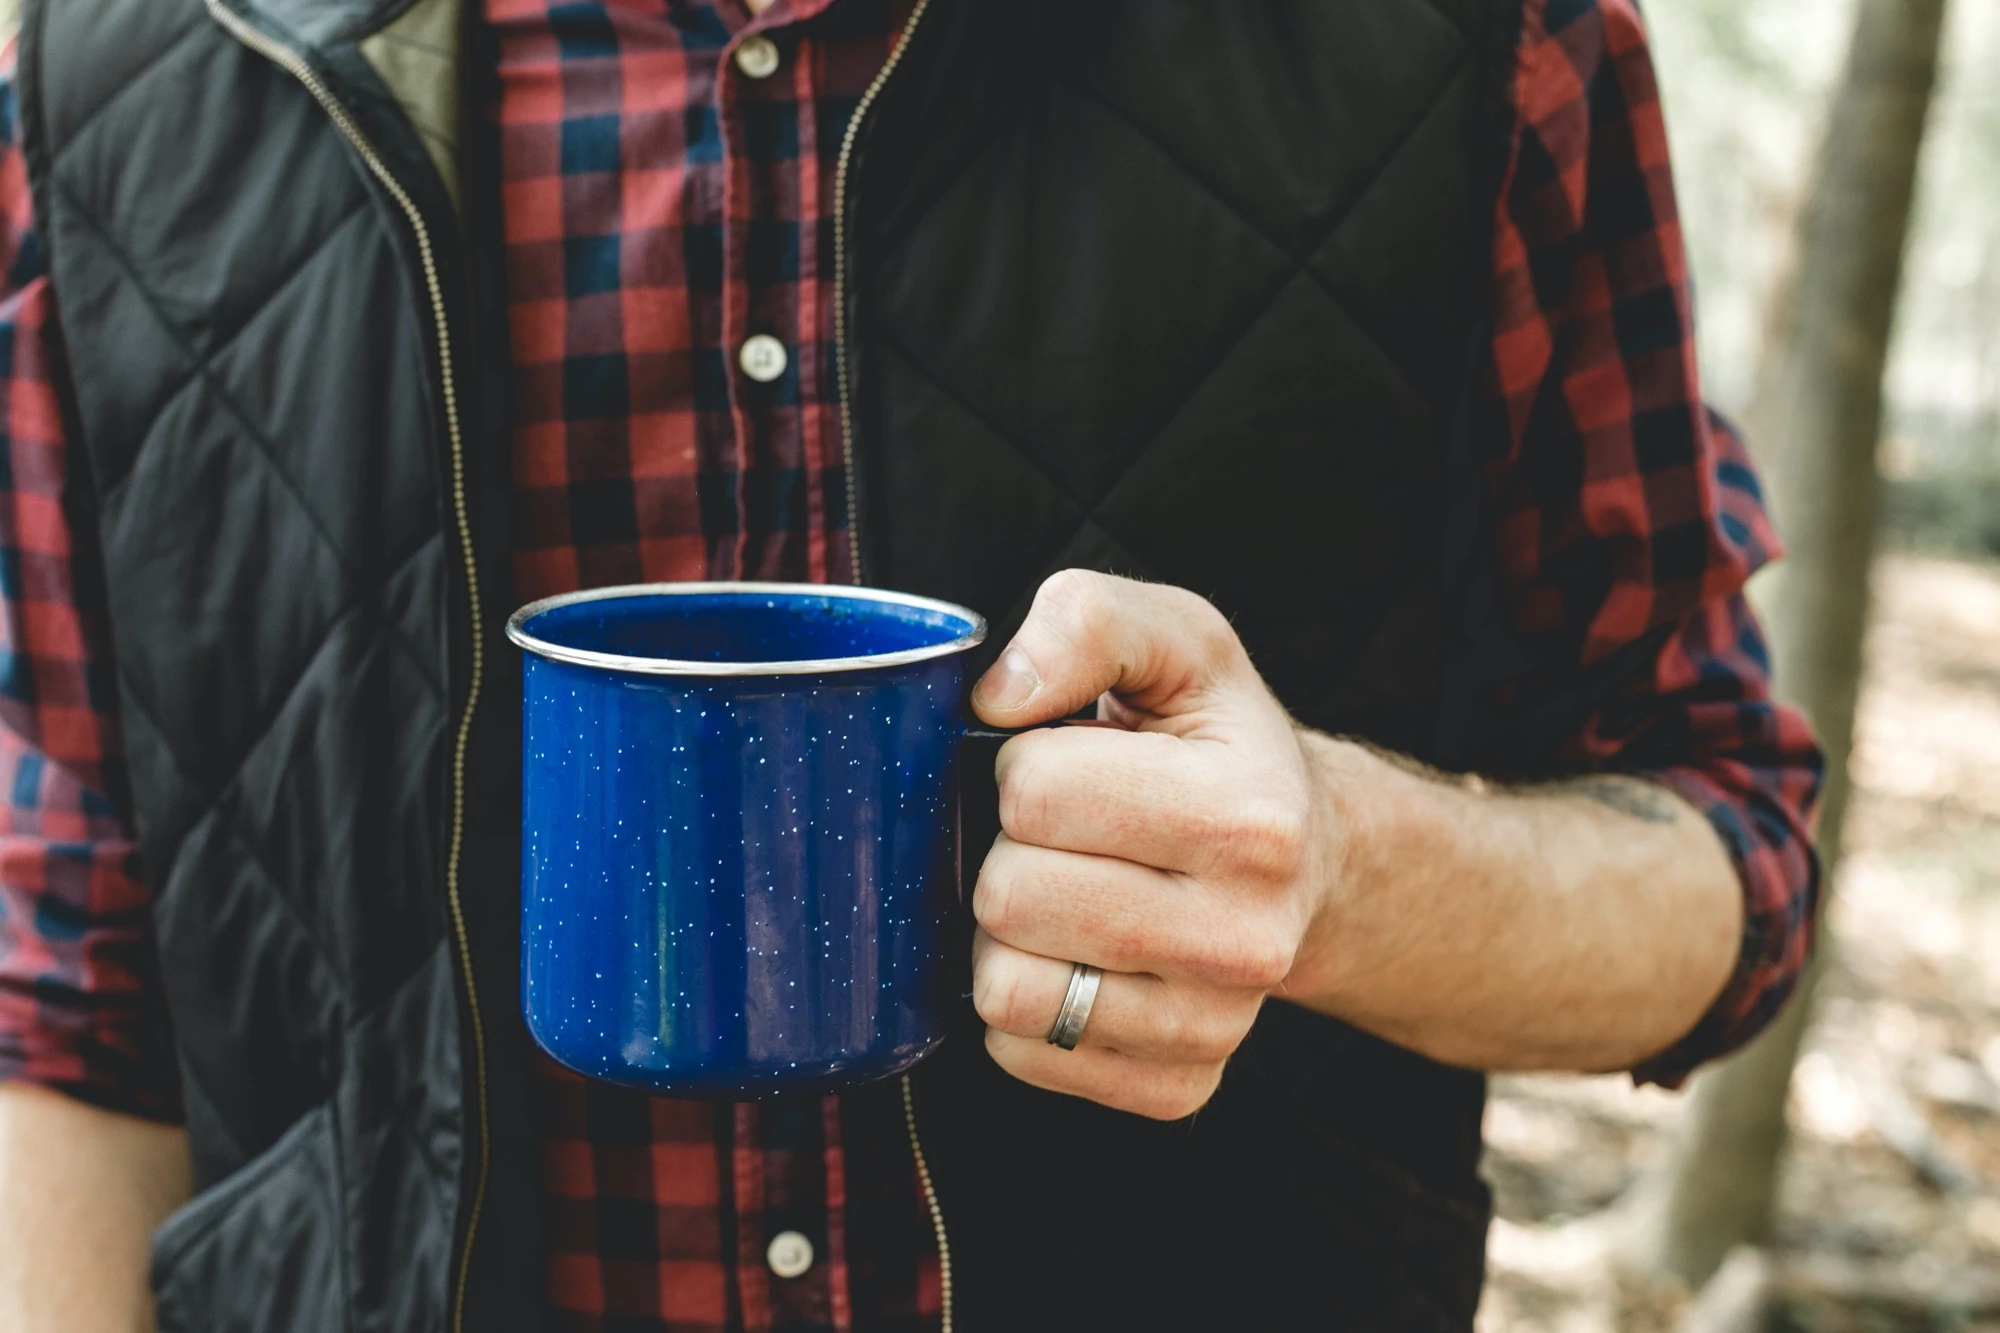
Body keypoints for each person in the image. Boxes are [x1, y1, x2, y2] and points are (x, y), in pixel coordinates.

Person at [0, 0, 1822, 1328]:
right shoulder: (126, 79)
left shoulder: (1471, 41)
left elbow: (1728, 864)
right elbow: (72, 991)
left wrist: (1340, 867)